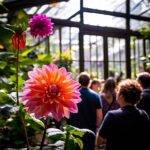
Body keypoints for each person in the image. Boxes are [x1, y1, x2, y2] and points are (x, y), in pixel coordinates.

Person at [96, 79, 150, 150]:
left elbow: (99, 141)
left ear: (121, 96)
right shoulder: (143, 115)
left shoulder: (112, 115)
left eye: (118, 91)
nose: (116, 93)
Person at [69, 72, 103, 150]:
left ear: (78, 81)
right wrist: (96, 128)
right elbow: (99, 116)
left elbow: (67, 112)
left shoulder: (72, 95)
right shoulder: (95, 96)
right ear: (89, 82)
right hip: (90, 131)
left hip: (74, 130)